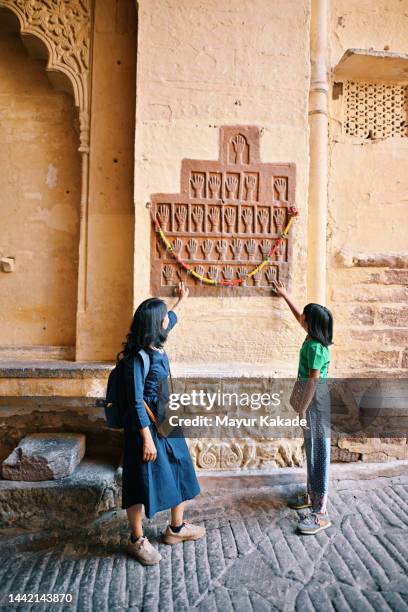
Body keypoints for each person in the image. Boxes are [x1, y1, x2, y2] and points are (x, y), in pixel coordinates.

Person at [119, 281, 204, 565]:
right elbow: (134, 402)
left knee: (181, 467)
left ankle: (176, 528)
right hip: (145, 428)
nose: (167, 318)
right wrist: (146, 438)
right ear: (153, 324)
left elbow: (172, 320)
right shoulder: (137, 359)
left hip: (167, 420)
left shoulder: (156, 342)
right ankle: (136, 540)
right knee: (138, 480)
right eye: (163, 315)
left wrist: (181, 300)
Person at [272, 280, 333, 535]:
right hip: (310, 404)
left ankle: (321, 513)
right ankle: (311, 495)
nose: (301, 319)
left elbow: (313, 380)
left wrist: (302, 408)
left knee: (319, 454)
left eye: (305, 317)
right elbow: (298, 316)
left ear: (311, 322)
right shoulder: (311, 336)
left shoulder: (317, 348)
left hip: (316, 405)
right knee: (311, 449)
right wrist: (285, 294)